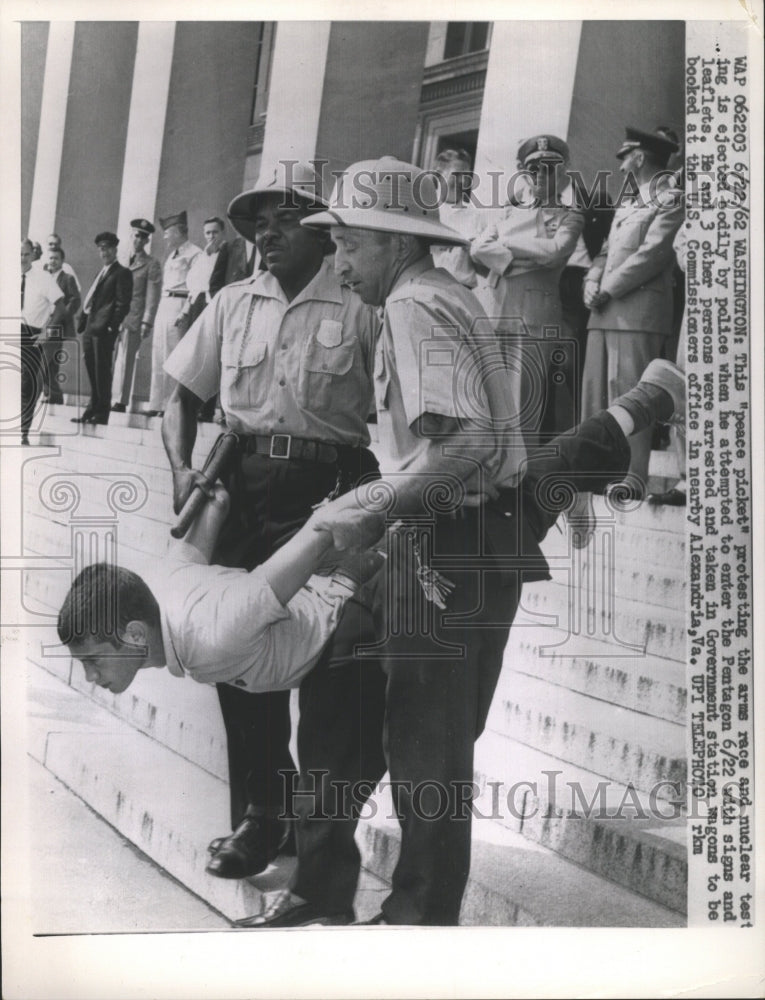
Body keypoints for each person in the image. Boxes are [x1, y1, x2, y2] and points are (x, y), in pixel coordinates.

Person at [302, 156, 688, 925]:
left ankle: (414, 922)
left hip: (441, 542)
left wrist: (364, 513)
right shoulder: (442, 293)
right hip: (461, 533)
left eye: (348, 244)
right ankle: (333, 890)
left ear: (393, 242)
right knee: (364, 716)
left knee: (422, 745)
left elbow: (467, 445)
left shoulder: (414, 306)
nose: (338, 264)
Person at [160, 160, 381, 890]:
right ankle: (260, 813)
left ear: (325, 232)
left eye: (286, 219)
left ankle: (314, 828)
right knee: (236, 660)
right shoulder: (230, 302)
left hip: (328, 488)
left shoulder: (360, 304)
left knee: (323, 664)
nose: (267, 233)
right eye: (259, 221)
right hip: (240, 489)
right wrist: (183, 472)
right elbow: (179, 396)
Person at [578, 126, 683, 502]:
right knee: (596, 398)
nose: (621, 166)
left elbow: (651, 255)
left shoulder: (670, 198)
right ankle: (596, 473)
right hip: (604, 312)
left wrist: (607, 288)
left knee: (630, 396)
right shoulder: (628, 202)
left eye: (626, 157)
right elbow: (606, 251)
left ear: (639, 157)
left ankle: (632, 477)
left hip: (636, 313)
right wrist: (591, 279)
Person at [471, 134, 585, 445]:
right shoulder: (508, 212)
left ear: (561, 172)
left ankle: (519, 481)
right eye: (534, 169)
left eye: (549, 168)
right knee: (486, 402)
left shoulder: (568, 216)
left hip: (532, 318)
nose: (540, 176)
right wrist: (517, 260)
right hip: (494, 311)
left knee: (522, 408)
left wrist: (505, 246)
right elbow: (478, 247)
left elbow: (555, 252)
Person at [71, 232, 133, 425]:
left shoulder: (122, 273)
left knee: (102, 370)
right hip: (90, 327)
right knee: (92, 368)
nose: (103, 252)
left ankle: (101, 413)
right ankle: (92, 409)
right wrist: (83, 322)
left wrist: (111, 327)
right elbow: (92, 298)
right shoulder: (102, 272)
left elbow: (123, 304)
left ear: (115, 249)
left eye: (107, 248)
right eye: (101, 249)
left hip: (104, 328)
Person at [145, 211, 201, 418]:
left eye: (168, 232)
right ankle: (156, 403)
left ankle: (172, 404)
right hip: (165, 304)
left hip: (179, 305)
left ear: (179, 231)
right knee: (158, 354)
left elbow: (196, 288)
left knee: (174, 356)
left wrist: (186, 311)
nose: (165, 236)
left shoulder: (195, 254)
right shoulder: (172, 255)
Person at [111, 219, 162, 414]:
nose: (138, 240)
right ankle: (104, 397)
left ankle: (121, 401)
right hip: (114, 316)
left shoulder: (151, 264)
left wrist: (146, 322)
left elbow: (152, 297)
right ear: (130, 236)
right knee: (109, 358)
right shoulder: (121, 259)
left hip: (133, 318)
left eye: (142, 237)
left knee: (126, 360)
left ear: (147, 241)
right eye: (135, 235)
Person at [20, 238, 65, 444]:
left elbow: (61, 307)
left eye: (26, 254)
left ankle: (23, 432)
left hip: (31, 334)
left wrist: (47, 332)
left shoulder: (43, 278)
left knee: (27, 385)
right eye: (18, 254)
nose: (22, 259)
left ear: (33, 255)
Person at [430, 148, 484, 288]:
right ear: (439, 174)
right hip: (426, 287)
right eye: (457, 175)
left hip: (461, 290)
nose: (462, 181)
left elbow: (483, 267)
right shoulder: (423, 210)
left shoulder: (475, 215)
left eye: (466, 176)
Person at [42, 245, 81, 404]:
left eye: (56, 258)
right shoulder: (44, 278)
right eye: (51, 258)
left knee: (45, 358)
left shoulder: (67, 278)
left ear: (62, 261)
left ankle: (50, 393)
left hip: (57, 324)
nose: (53, 261)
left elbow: (75, 300)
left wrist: (63, 314)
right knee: (50, 362)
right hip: (43, 321)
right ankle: (55, 395)